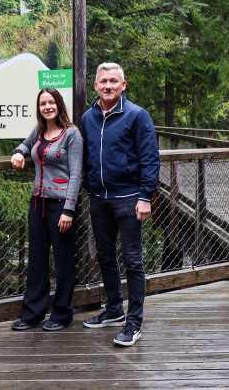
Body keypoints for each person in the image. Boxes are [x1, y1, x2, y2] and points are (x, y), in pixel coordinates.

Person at [80, 62, 160, 347]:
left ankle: (134, 322)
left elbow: (151, 159)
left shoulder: (137, 116)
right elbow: (85, 155)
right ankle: (114, 309)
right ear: (96, 86)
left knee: (133, 260)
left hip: (128, 198)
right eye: (103, 81)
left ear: (123, 85)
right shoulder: (88, 117)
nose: (108, 86)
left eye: (114, 81)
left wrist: (144, 196)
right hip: (99, 198)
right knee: (104, 256)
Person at [10, 88, 83, 332]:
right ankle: (33, 313)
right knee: (37, 260)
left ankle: (62, 314)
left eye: (51, 102)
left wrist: (69, 210)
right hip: (38, 203)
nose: (47, 107)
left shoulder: (72, 134)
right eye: (43, 103)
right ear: (39, 108)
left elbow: (76, 174)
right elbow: (25, 143)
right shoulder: (39, 130)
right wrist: (19, 152)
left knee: (62, 261)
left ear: (59, 105)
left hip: (61, 204)